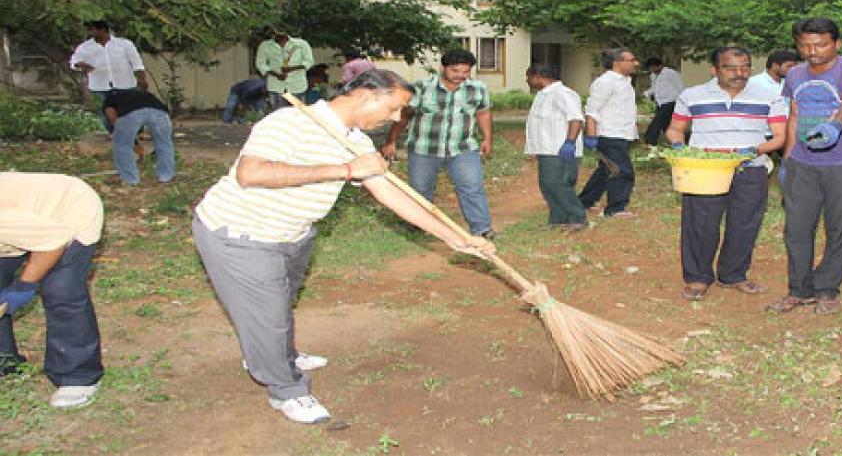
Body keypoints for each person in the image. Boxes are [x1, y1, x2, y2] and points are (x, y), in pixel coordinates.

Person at [192, 69, 495, 424]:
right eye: (395, 108)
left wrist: (454, 238)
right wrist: (346, 169)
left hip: (292, 233)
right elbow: (252, 173)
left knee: (278, 303)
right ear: (368, 94)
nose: (397, 118)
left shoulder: (357, 141)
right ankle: (287, 389)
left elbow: (390, 194)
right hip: (241, 235)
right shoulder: (290, 122)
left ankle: (273, 352)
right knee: (269, 313)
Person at [768, 18, 842, 315]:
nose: (812, 50)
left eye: (820, 44)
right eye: (805, 45)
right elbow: (794, 116)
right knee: (797, 228)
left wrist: (836, 127)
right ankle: (799, 290)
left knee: (839, 227)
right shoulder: (795, 75)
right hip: (804, 162)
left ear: (837, 44)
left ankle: (827, 288)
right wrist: (788, 161)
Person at [666, 47, 787, 301]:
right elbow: (676, 128)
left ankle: (733, 275)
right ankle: (698, 278)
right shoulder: (692, 95)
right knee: (700, 225)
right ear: (714, 69)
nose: (739, 73)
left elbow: (780, 137)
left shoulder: (770, 96)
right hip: (706, 171)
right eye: (730, 68)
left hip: (750, 168)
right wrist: (679, 147)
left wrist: (754, 150)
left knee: (745, 224)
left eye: (744, 67)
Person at [0, 173, 105, 409]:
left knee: (60, 288)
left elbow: (54, 241)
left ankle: (77, 376)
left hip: (68, 213)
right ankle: (4, 359)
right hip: (22, 225)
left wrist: (24, 285)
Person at [382, 49, 496, 238]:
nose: (461, 76)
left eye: (466, 72)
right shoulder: (421, 87)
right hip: (423, 148)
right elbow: (404, 116)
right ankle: (419, 225)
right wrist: (390, 141)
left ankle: (482, 229)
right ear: (443, 68)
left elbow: (483, 113)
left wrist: (487, 138)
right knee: (420, 189)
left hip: (463, 148)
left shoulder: (477, 89)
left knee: (472, 186)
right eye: (455, 70)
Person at [524, 64, 588, 232]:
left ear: (538, 76)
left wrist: (570, 143)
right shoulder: (543, 95)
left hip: (560, 149)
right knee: (547, 185)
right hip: (546, 149)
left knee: (558, 184)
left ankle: (577, 218)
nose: (527, 81)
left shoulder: (562, 94)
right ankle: (558, 219)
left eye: (528, 77)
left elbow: (575, 119)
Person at [579, 48, 640, 217]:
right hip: (609, 134)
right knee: (621, 171)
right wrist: (591, 135)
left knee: (606, 170)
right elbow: (592, 110)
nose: (636, 63)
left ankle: (584, 201)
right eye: (631, 60)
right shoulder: (605, 82)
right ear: (617, 63)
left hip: (622, 134)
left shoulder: (625, 81)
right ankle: (615, 208)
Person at [69, 19, 149, 132]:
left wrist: (142, 79)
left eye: (91, 30)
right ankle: (114, 134)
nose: (89, 33)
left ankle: (137, 133)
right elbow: (74, 62)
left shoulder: (124, 44)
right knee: (106, 114)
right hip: (100, 86)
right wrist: (80, 64)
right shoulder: (84, 47)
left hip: (125, 84)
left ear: (102, 29)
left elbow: (136, 63)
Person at [103, 89, 176, 185]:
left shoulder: (109, 99)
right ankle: (166, 176)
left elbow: (114, 120)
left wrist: (132, 141)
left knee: (122, 144)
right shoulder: (139, 93)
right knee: (164, 143)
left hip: (132, 113)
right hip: (159, 111)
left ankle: (130, 179)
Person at [255, 29, 314, 109]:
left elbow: (309, 61)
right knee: (278, 115)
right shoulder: (265, 45)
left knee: (297, 115)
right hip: (276, 87)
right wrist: (276, 74)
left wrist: (292, 68)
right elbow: (260, 64)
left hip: (297, 86)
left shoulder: (301, 44)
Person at [641, 57, 684, 145]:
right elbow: (654, 88)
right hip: (660, 102)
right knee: (666, 124)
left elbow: (680, 87)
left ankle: (650, 140)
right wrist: (647, 93)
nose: (652, 70)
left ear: (660, 66)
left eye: (654, 67)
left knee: (657, 121)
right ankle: (677, 141)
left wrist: (682, 101)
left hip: (671, 101)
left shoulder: (671, 73)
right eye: (650, 68)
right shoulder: (652, 75)